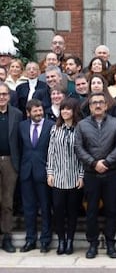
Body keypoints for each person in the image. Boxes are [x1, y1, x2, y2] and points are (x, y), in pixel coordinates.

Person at [74, 92, 116, 259]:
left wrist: (107, 162)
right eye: (94, 102)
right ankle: (93, 244)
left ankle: (111, 244)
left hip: (111, 173)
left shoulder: (115, 123)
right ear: (89, 107)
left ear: (106, 105)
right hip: (91, 174)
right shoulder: (82, 125)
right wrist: (93, 163)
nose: (97, 105)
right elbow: (78, 147)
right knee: (91, 211)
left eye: (100, 102)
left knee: (111, 209)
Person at [46, 97, 84, 255]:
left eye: (68, 109)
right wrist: (50, 172)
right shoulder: (55, 129)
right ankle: (61, 240)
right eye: (63, 109)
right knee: (59, 210)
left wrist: (81, 175)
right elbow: (51, 152)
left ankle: (70, 240)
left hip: (75, 177)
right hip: (58, 177)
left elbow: (83, 154)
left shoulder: (81, 129)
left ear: (74, 111)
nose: (65, 111)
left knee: (73, 211)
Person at [19, 99, 55, 253]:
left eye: (40, 110)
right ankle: (30, 239)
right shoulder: (21, 126)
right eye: (35, 111)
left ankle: (46, 240)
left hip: (44, 173)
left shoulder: (50, 126)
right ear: (28, 113)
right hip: (26, 173)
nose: (39, 113)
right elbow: (20, 148)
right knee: (29, 208)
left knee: (46, 207)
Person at [0, 83, 22, 253]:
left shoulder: (17, 114)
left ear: (9, 96)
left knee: (7, 202)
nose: (1, 97)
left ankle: (7, 236)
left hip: (10, 162)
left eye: (4, 94)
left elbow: (20, 141)